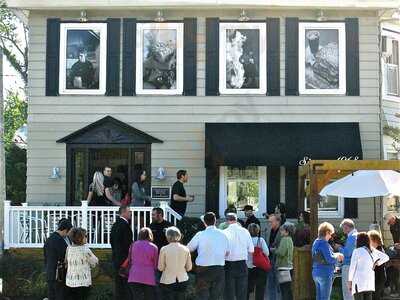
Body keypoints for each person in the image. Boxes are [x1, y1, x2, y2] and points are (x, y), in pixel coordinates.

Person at [187, 212, 230, 300]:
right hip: (218, 268)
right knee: (216, 296)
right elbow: (227, 253)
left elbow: (189, 248)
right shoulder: (224, 234)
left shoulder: (200, 234)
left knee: (202, 295)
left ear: (204, 222)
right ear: (215, 221)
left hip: (203, 268)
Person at [348, 232, 389, 300]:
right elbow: (386, 257)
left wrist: (349, 282)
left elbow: (352, 268)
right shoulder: (372, 250)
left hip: (358, 282)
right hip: (369, 283)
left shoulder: (356, 251)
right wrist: (377, 263)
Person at [224, 213, 254, 300]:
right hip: (241, 264)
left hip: (228, 264)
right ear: (236, 220)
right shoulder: (245, 231)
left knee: (229, 292)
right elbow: (251, 250)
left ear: (227, 221)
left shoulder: (224, 232)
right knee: (242, 292)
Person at [312, 222, 344, 300]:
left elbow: (321, 256)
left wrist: (335, 255)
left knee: (319, 297)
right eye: (330, 234)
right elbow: (330, 259)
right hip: (325, 273)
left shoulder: (316, 242)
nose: (330, 237)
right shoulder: (324, 243)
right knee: (325, 298)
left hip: (316, 272)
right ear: (327, 232)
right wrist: (338, 256)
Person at [158, 227, 192, 300]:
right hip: (182, 279)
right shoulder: (186, 249)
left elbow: (160, 268)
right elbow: (189, 268)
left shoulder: (164, 249)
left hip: (167, 280)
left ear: (168, 236)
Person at [65, 228, 98, 300]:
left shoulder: (68, 248)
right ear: (79, 238)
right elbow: (94, 262)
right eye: (85, 236)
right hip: (83, 282)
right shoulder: (85, 249)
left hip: (70, 282)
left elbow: (66, 262)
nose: (87, 237)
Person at [44, 218, 73, 300]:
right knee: (60, 296)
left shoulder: (49, 239)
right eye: (68, 232)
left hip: (50, 272)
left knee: (51, 296)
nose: (68, 235)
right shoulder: (59, 240)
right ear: (65, 230)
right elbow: (64, 256)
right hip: (59, 274)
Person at [128, 227, 158, 300]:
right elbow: (155, 264)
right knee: (149, 297)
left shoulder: (133, 245)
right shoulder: (154, 247)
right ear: (150, 235)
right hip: (148, 276)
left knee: (136, 297)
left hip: (134, 275)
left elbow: (129, 259)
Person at [110, 205, 133, 300]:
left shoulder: (115, 225)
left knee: (118, 284)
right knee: (125, 285)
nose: (130, 213)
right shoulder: (125, 225)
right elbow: (128, 243)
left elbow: (111, 241)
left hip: (116, 257)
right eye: (129, 211)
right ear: (123, 212)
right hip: (124, 260)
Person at [335, 219, 358, 300]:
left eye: (343, 228)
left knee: (347, 291)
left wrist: (339, 248)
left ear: (347, 227)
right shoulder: (356, 235)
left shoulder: (352, 237)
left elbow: (347, 253)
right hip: (353, 266)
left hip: (348, 266)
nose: (342, 230)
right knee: (352, 290)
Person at [247, 223, 269, 300]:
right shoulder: (261, 240)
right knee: (260, 289)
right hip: (260, 267)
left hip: (249, 267)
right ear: (258, 231)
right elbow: (267, 253)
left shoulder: (247, 240)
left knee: (247, 288)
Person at [275, 223, 294, 300]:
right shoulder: (290, 239)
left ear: (287, 231)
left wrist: (275, 250)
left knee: (284, 289)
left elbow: (281, 253)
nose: (280, 232)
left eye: (282, 230)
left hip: (283, 267)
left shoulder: (284, 239)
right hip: (289, 267)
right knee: (288, 289)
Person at [367, 230, 387, 300]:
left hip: (378, 278)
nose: (368, 242)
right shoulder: (375, 249)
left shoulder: (379, 250)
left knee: (375, 297)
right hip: (377, 278)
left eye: (369, 240)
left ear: (374, 240)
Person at [267, 214, 282, 300]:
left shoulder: (283, 231)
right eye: (269, 222)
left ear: (278, 221)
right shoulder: (269, 231)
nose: (270, 223)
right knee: (270, 283)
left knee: (279, 284)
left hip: (279, 261)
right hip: (270, 260)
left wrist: (274, 249)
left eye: (271, 222)